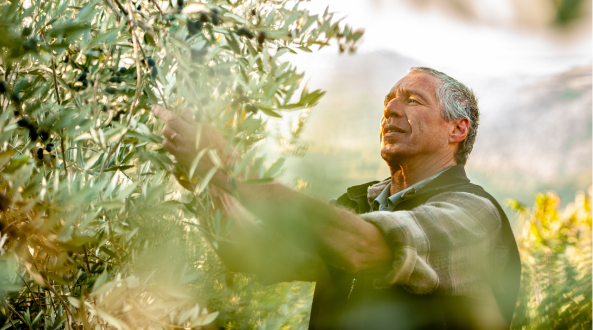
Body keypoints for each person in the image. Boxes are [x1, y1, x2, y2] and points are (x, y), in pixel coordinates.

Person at [152, 67, 521, 330]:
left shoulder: (473, 213)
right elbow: (250, 252)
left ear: (458, 129)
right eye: (389, 100)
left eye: (413, 100)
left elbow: (365, 246)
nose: (391, 108)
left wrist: (235, 170)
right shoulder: (360, 202)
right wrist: (206, 176)